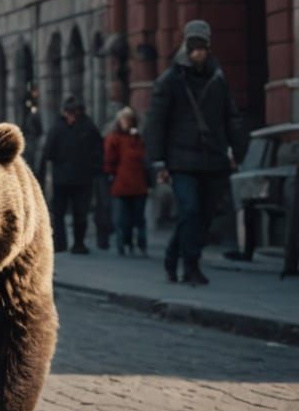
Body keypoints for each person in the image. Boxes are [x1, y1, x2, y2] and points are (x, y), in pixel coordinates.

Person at [145, 19, 240, 287]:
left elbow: (230, 116)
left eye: (202, 48)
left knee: (204, 215)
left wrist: (236, 151)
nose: (198, 53)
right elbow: (156, 123)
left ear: (209, 48)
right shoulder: (170, 80)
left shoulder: (217, 78)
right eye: (194, 48)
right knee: (189, 210)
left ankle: (173, 254)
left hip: (213, 158)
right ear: (186, 47)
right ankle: (191, 266)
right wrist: (159, 162)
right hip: (181, 160)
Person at [39, 97, 102, 255]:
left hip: (82, 179)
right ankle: (60, 243)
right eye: (68, 112)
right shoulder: (58, 128)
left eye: (73, 113)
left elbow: (98, 151)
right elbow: (47, 152)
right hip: (61, 179)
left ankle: (79, 243)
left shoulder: (88, 127)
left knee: (80, 212)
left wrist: (94, 169)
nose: (70, 116)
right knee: (59, 212)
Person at [103, 105, 149, 257]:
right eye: (124, 120)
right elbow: (109, 159)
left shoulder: (138, 139)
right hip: (121, 183)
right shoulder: (114, 138)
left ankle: (140, 244)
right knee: (122, 219)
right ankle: (123, 243)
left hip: (138, 183)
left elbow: (144, 158)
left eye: (129, 120)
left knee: (139, 218)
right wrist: (110, 174)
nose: (126, 123)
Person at [19, 85, 44, 176]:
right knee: (30, 155)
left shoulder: (34, 103)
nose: (37, 93)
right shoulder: (29, 102)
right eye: (35, 91)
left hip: (32, 134)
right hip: (30, 134)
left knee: (32, 155)